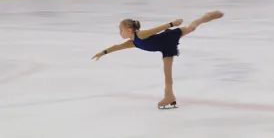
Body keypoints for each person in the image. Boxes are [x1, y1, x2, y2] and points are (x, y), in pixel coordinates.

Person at [92, 11, 224, 108]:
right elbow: (117, 47)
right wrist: (103, 52)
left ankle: (205, 17)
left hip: (168, 38)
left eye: (121, 30)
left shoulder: (140, 35)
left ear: (129, 29)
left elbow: (156, 29)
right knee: (167, 73)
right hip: (166, 49)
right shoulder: (132, 42)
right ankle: (169, 96)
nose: (120, 33)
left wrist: (172, 24)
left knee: (191, 27)